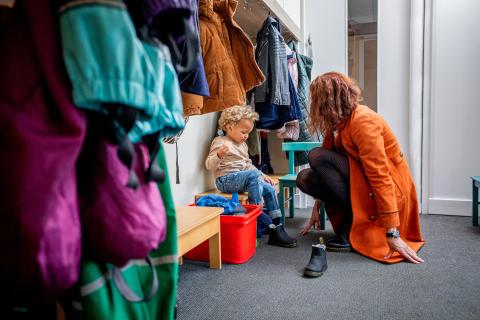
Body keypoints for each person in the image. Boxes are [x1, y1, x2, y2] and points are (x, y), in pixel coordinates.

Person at [297, 72, 425, 277]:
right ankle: (351, 223)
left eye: (316, 101)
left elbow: (380, 175)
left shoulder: (363, 121)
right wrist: (316, 207)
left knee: (317, 156)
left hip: (390, 187)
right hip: (362, 181)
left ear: (328, 102)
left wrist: (392, 232)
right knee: (305, 178)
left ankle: (351, 226)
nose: (314, 106)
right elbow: (323, 172)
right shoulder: (338, 123)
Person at [205, 105, 297, 248]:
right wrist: (219, 155)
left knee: (269, 188)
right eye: (243, 132)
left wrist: (262, 174)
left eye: (248, 132)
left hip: (242, 179)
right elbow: (209, 165)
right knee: (254, 175)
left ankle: (277, 227)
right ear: (229, 127)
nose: (246, 136)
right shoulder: (220, 142)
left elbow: (248, 165)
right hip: (225, 180)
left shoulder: (243, 145)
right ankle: (257, 215)